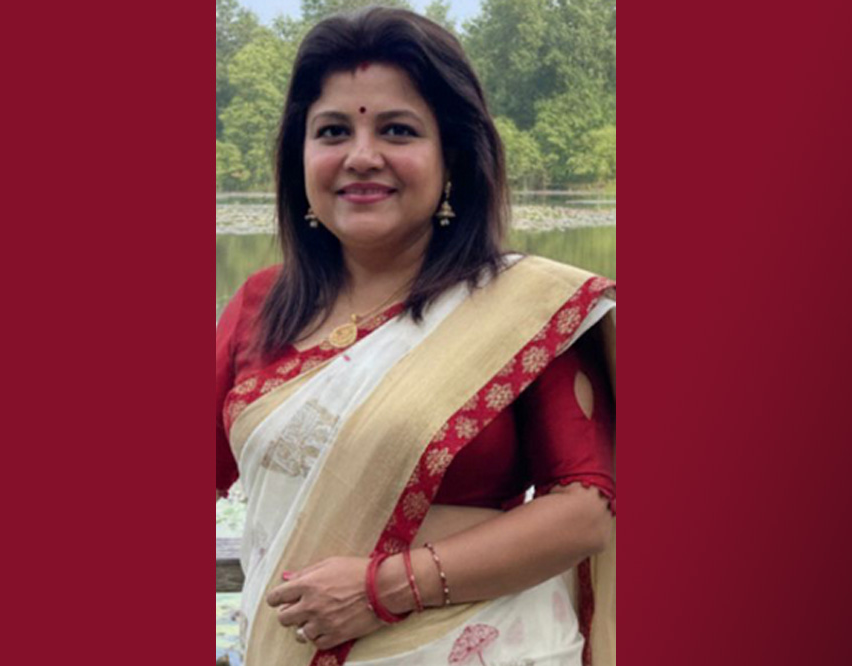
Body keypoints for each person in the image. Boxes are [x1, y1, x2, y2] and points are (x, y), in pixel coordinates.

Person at [215, 7, 616, 666]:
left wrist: (385, 589)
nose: (361, 157)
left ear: (451, 156)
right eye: (333, 131)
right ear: (300, 157)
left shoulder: (522, 309)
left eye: (397, 130)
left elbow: (585, 512)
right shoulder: (262, 306)